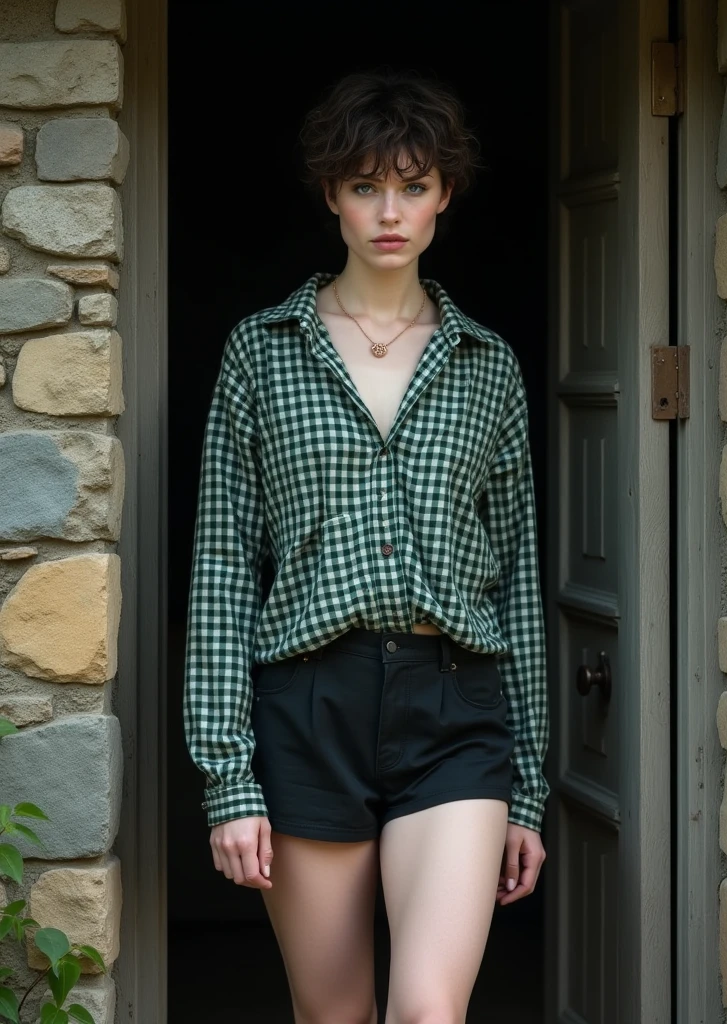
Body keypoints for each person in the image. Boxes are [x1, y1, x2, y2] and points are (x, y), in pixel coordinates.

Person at [183, 69, 550, 1024]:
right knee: (336, 1014)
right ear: (330, 196)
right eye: (364, 186)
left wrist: (528, 792)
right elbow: (224, 568)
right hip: (307, 709)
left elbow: (515, 581)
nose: (390, 211)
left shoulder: (487, 365)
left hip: (453, 707)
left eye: (414, 185)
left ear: (446, 196)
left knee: (427, 1011)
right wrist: (229, 778)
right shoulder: (260, 352)